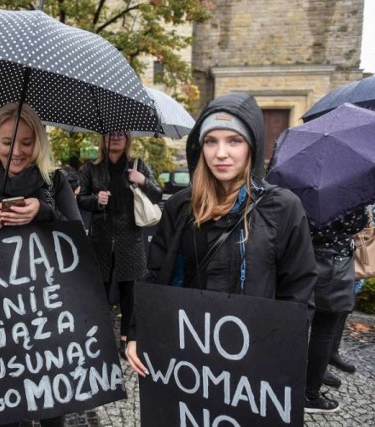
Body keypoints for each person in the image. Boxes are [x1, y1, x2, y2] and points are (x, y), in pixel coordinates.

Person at [125, 92, 317, 405]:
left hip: (252, 359)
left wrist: (281, 350)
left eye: (234, 141)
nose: (221, 153)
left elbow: (299, 289)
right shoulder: (180, 206)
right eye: (211, 141)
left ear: (252, 145)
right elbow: (154, 274)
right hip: (186, 355)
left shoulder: (282, 207)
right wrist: (138, 331)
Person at [0, 102, 81, 427]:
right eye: (8, 142)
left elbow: (78, 241)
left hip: (47, 315)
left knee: (52, 407)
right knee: (8, 410)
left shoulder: (53, 183)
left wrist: (44, 210)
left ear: (38, 142)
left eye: (27, 142)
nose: (17, 151)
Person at [76, 130, 162, 358]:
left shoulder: (137, 165)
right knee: (99, 289)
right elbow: (80, 198)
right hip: (101, 239)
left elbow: (157, 195)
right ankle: (100, 337)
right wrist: (96, 200)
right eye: (110, 134)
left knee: (130, 291)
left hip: (130, 238)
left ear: (127, 140)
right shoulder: (91, 168)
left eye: (121, 135)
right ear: (103, 139)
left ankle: (127, 339)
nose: (115, 138)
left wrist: (142, 180)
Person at [305, 209, 367, 411]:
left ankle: (292, 384)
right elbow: (356, 224)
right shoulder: (347, 194)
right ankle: (309, 394)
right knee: (323, 329)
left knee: (295, 324)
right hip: (333, 264)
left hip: (303, 258)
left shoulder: (300, 189)